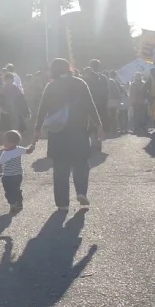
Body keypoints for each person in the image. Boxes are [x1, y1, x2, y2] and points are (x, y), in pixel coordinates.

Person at [28, 58, 104, 210]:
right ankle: (81, 192)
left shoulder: (51, 86)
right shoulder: (80, 83)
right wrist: (99, 125)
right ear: (69, 68)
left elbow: (42, 109)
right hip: (78, 130)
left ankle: (62, 203)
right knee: (81, 163)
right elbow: (90, 105)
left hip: (58, 133)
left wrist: (37, 129)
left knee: (60, 167)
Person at [0, 130, 28, 214]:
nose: (3, 142)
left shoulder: (5, 153)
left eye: (5, 140)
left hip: (8, 176)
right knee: (16, 189)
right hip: (18, 175)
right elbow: (28, 151)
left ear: (11, 142)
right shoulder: (19, 149)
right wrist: (32, 147)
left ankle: (13, 204)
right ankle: (18, 201)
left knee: (9, 191)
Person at [87, 60, 110, 150]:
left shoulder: (87, 77)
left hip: (91, 104)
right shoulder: (103, 78)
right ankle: (98, 142)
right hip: (101, 104)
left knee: (92, 123)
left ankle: (94, 142)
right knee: (100, 123)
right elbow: (107, 92)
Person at [107, 70, 122, 134]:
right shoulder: (114, 81)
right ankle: (115, 128)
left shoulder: (105, 81)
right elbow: (118, 90)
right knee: (115, 115)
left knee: (109, 115)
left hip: (108, 100)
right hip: (115, 100)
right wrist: (119, 99)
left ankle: (110, 128)